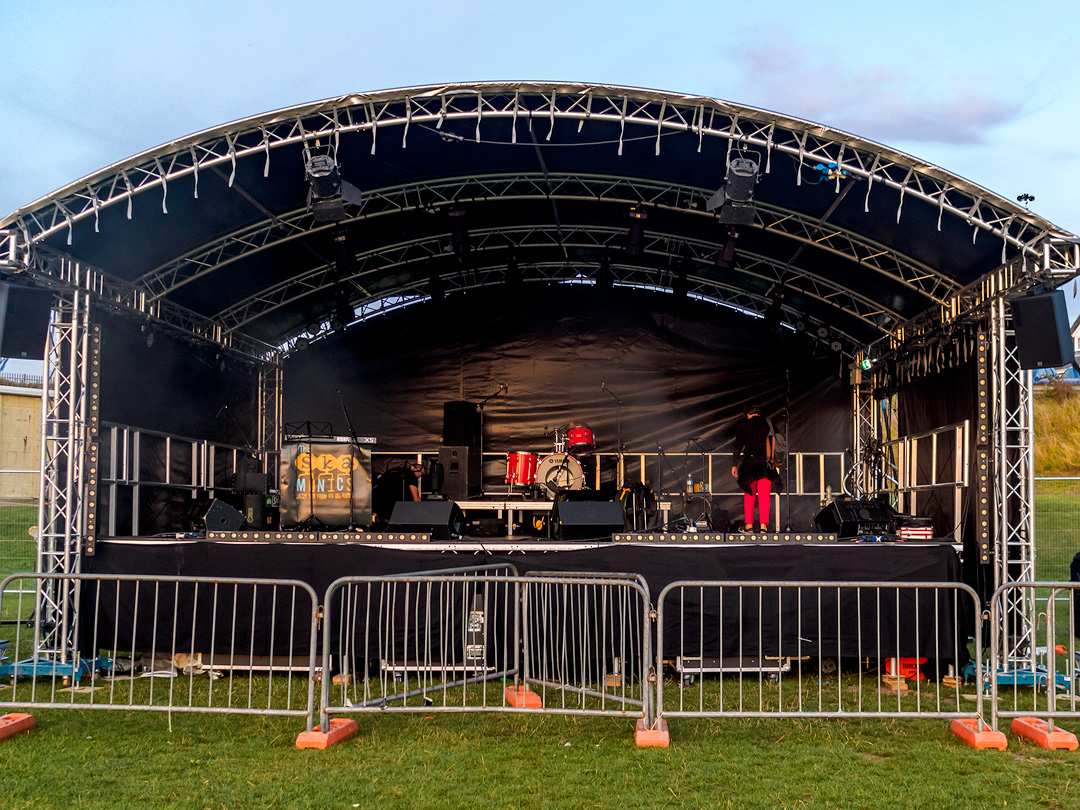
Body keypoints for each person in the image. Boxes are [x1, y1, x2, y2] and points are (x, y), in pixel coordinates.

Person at [730, 404, 780, 533]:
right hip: (766, 464)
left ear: (747, 414)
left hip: (749, 465)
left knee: (749, 495)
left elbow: (737, 446)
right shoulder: (768, 423)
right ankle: (763, 527)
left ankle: (749, 526)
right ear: (758, 413)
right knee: (764, 497)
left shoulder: (744, 425)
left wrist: (734, 464)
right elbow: (778, 440)